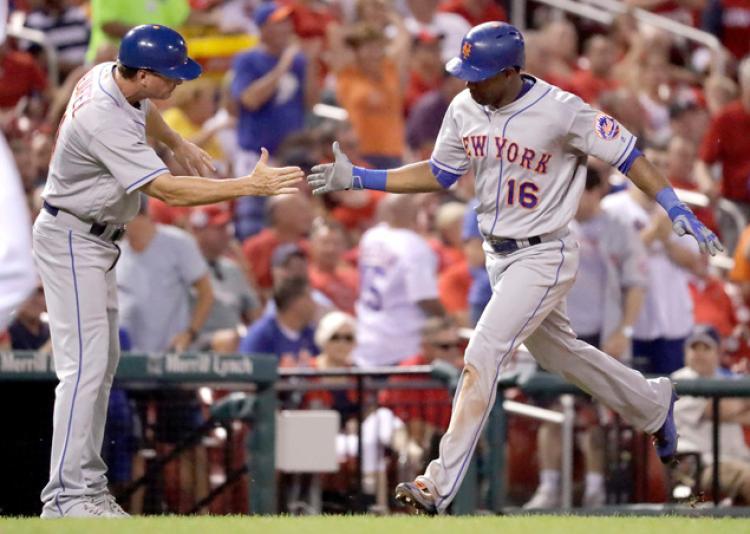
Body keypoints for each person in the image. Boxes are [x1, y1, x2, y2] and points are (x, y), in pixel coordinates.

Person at [307, 21, 722, 514]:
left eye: (480, 74)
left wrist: (675, 207)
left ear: (510, 72)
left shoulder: (560, 110)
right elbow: (440, 173)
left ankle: (436, 487)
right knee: (560, 355)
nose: (469, 82)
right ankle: (654, 402)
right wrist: (360, 176)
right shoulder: (465, 107)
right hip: (497, 256)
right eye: (465, 72)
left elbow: (629, 154)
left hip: (545, 251)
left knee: (483, 351)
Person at [32, 24, 302, 518]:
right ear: (141, 73)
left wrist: (175, 139)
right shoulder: (101, 116)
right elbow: (170, 193)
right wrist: (250, 187)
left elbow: (146, 109)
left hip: (93, 239)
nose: (179, 82)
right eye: (171, 75)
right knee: (83, 371)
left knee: (102, 365)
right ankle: (66, 496)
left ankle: (85, 489)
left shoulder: (111, 78)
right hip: (73, 236)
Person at [352, 194, 445, 368]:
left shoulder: (371, 236)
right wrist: (446, 318)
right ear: (415, 214)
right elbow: (424, 297)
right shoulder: (415, 245)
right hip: (402, 344)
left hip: (366, 337)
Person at [672, 325, 750, 503]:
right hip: (704, 465)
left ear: (718, 352)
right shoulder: (679, 381)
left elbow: (728, 412)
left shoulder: (727, 380)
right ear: (685, 352)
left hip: (739, 458)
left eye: (706, 348)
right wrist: (742, 403)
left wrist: (732, 410)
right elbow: (719, 410)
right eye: (694, 348)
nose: (699, 354)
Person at [239, 276, 318, 367]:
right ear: (294, 303)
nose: (314, 303)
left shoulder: (310, 333)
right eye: (309, 297)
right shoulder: (261, 334)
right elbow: (247, 370)